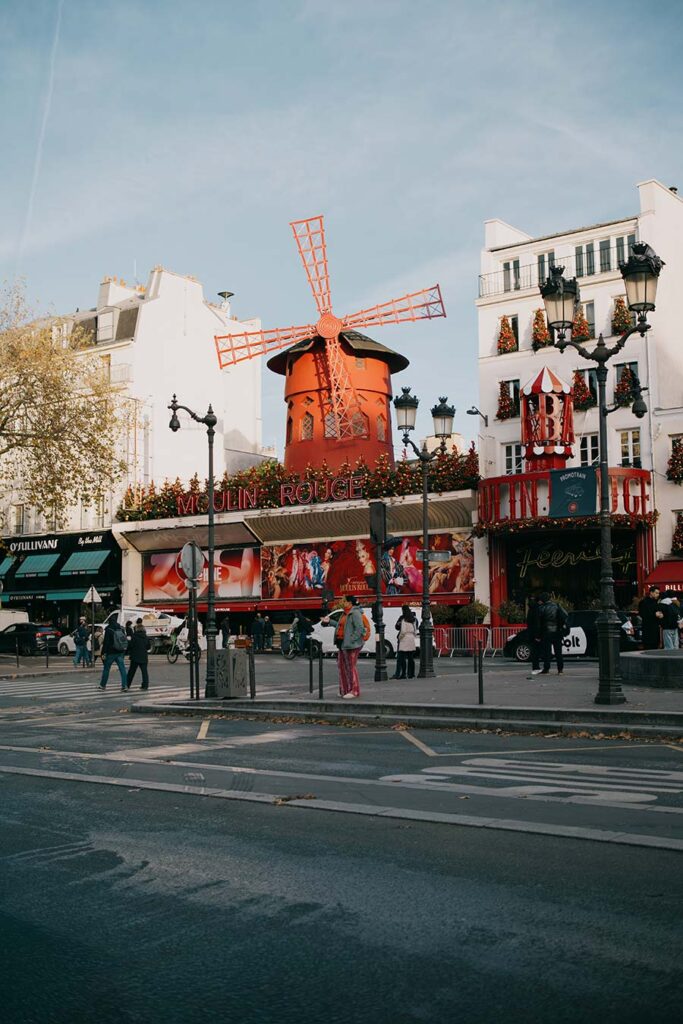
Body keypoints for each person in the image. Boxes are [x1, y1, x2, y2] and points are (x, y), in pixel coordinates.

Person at [336, 595, 365, 699]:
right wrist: (329, 622)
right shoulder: (345, 613)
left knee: (350, 666)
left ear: (349, 603)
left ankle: (354, 690)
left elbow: (360, 628)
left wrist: (351, 639)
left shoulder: (355, 613)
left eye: (344, 601)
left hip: (350, 645)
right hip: (342, 644)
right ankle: (345, 688)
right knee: (342, 666)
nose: (343, 603)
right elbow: (342, 626)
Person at [538, 592, 568, 675]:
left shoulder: (541, 608)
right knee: (558, 652)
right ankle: (560, 669)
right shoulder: (557, 606)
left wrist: (539, 634)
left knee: (547, 652)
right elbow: (565, 615)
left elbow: (539, 622)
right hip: (557, 632)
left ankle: (546, 669)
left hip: (546, 632)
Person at [98, 613, 128, 691]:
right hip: (120, 651)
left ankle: (102, 685)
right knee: (122, 669)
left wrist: (103, 653)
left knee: (106, 668)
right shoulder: (121, 628)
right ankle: (124, 685)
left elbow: (106, 643)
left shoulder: (108, 629)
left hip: (111, 652)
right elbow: (123, 640)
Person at [393, 605, 418, 679]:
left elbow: (402, 630)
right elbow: (415, 630)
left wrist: (399, 637)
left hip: (404, 640)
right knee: (410, 658)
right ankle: (411, 674)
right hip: (411, 639)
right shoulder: (414, 619)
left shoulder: (403, 619)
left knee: (401, 658)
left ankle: (402, 674)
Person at [126, 618, 151, 690]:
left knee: (131, 672)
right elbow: (148, 647)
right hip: (143, 656)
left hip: (135, 656)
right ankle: (145, 685)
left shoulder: (134, 636)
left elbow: (130, 645)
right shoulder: (146, 637)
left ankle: (127, 685)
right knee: (144, 672)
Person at [526, 595, 542, 676]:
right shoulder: (537, 609)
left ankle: (535, 667)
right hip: (536, 633)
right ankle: (537, 668)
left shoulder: (530, 610)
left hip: (531, 633)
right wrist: (538, 635)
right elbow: (537, 623)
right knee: (537, 651)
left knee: (534, 651)